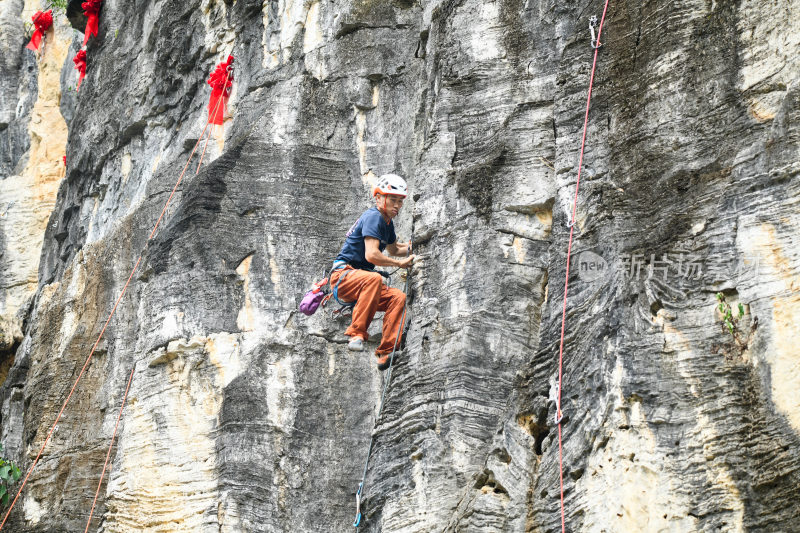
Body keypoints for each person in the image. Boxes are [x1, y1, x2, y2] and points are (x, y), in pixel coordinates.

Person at [330, 174, 415, 370]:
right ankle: (356, 334)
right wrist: (400, 264)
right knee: (374, 279)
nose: (397, 206)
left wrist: (416, 245)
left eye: (400, 202)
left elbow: (394, 249)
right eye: (392, 200)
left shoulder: (387, 223)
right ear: (379, 198)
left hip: (363, 281)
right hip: (343, 276)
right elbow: (372, 255)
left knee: (397, 297)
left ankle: (386, 351)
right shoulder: (373, 216)